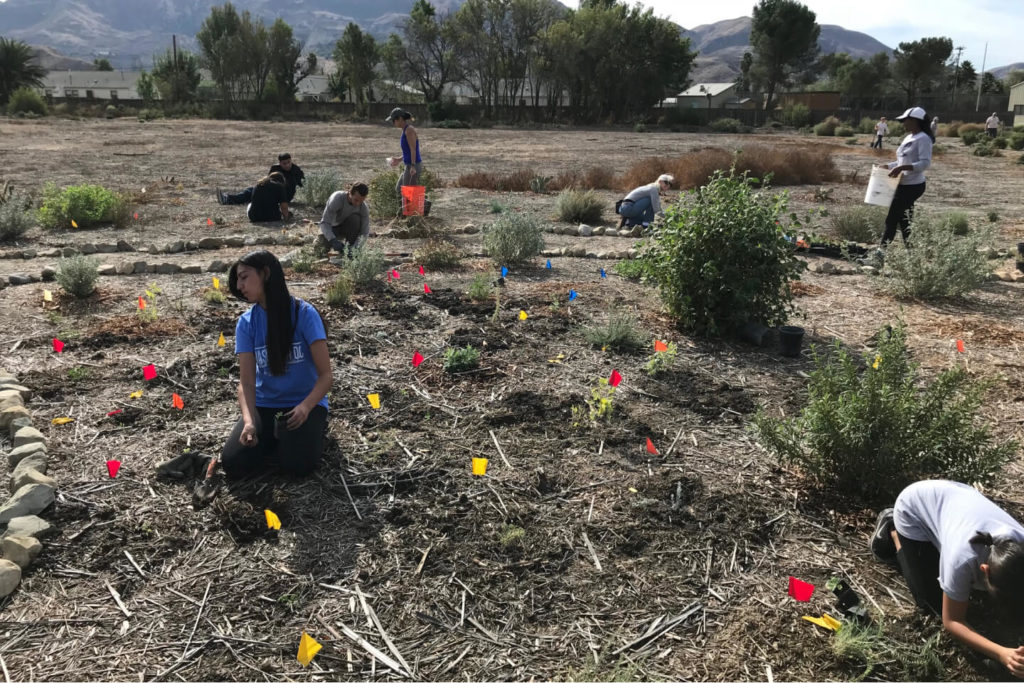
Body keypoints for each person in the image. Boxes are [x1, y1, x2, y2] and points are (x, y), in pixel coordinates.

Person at [870, 480, 1024, 678]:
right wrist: (1002, 654)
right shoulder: (961, 559)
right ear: (984, 570)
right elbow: (952, 621)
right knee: (930, 602)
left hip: (956, 499)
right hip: (914, 508)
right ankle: (893, 530)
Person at [221, 250, 331, 479]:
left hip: (303, 405)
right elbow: (247, 382)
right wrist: (250, 422)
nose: (239, 285)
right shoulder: (246, 323)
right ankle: (273, 435)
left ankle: (302, 433)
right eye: (237, 279)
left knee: (296, 466)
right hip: (264, 404)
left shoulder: (304, 313)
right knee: (234, 463)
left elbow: (326, 376)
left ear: (266, 273)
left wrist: (305, 407)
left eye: (244, 277)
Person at [878, 106, 933, 246]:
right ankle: (912, 254)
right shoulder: (910, 137)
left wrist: (902, 168)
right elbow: (902, 160)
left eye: (905, 120)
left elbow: (925, 163)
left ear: (915, 121)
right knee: (905, 220)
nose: (903, 123)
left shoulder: (923, 139)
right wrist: (889, 166)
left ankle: (879, 256)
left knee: (891, 220)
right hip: (903, 183)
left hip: (912, 186)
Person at [385, 107, 431, 217]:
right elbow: (408, 152)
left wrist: (413, 166)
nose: (393, 123)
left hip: (413, 165)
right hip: (409, 164)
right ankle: (423, 205)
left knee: (409, 193)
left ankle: (410, 216)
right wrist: (398, 159)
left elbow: (413, 150)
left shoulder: (409, 130)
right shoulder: (405, 130)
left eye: (394, 120)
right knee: (399, 188)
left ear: (400, 119)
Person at [318, 182, 370, 257]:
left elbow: (364, 233)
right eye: (356, 200)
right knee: (320, 249)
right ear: (350, 193)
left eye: (361, 201)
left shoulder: (363, 207)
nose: (358, 204)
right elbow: (325, 222)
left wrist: (355, 247)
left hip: (346, 229)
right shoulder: (337, 198)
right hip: (331, 228)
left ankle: (348, 250)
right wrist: (332, 240)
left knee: (355, 219)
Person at [218, 172, 290, 223]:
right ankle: (228, 199)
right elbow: (284, 207)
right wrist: (286, 218)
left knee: (250, 203)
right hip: (273, 218)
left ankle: (227, 198)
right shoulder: (280, 187)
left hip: (255, 217)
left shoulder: (258, 184)